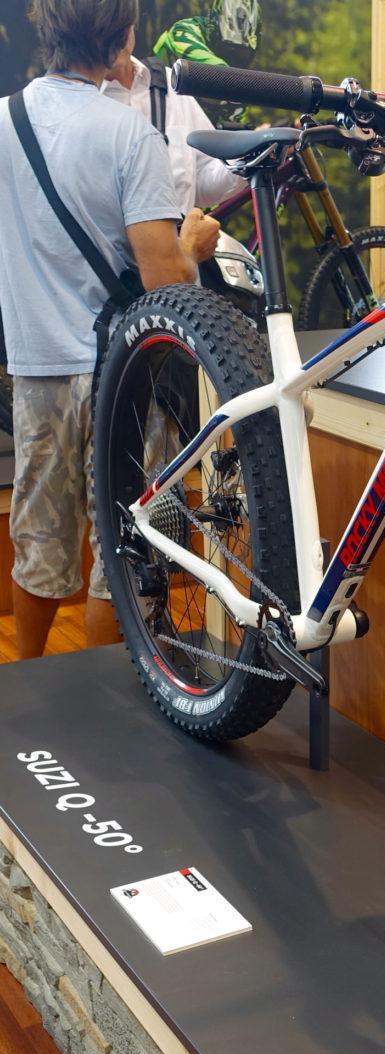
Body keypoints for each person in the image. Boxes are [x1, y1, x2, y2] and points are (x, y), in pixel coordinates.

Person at [0, 0, 220, 659]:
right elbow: (165, 280)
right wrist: (193, 248)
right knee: (123, 551)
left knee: (39, 540)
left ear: (46, 28)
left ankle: (24, 688)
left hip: (37, 369)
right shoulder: (130, 134)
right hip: (121, 375)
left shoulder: (5, 121)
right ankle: (102, 695)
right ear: (123, 36)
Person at [103, 27, 243, 211]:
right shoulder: (77, 102)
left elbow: (201, 181)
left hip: (183, 228)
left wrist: (252, 155)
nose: (115, 33)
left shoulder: (170, 81)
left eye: (121, 21)